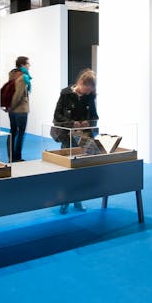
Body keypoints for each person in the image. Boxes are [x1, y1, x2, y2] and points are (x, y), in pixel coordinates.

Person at [52, 68, 98, 213]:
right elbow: (57, 115)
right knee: (67, 169)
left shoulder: (90, 96)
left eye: (91, 89)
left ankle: (78, 200)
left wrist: (87, 122)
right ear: (81, 83)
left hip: (84, 138)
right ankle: (64, 201)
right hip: (68, 136)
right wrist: (72, 123)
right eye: (88, 88)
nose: (89, 92)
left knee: (82, 170)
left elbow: (95, 117)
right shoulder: (65, 94)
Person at [6, 56, 31, 162]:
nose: (29, 66)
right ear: (22, 65)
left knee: (13, 132)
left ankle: (11, 156)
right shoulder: (23, 77)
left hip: (12, 110)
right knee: (20, 133)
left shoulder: (13, 74)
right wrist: (12, 106)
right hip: (20, 110)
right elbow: (18, 95)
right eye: (28, 63)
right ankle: (16, 157)